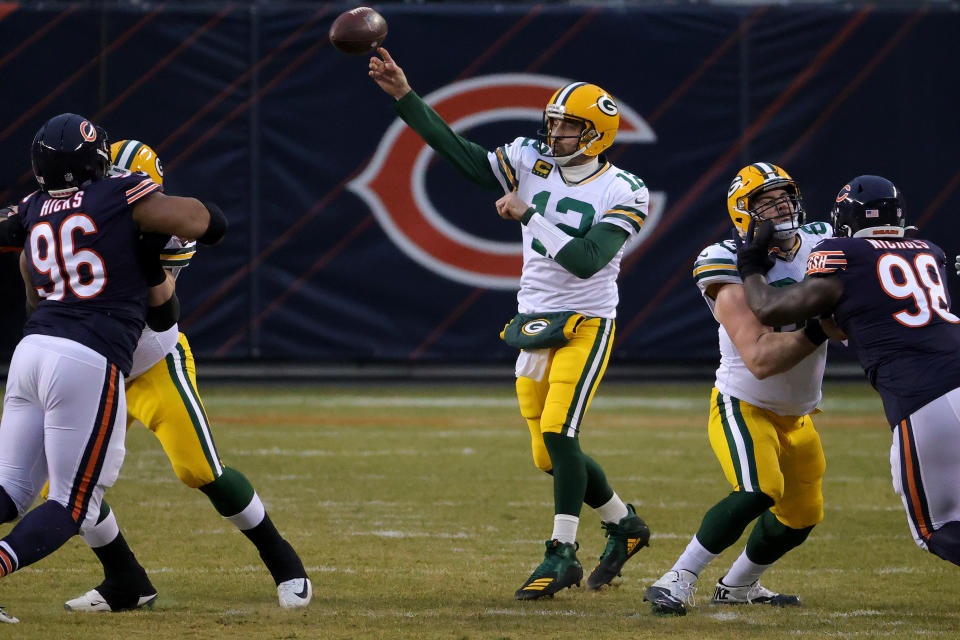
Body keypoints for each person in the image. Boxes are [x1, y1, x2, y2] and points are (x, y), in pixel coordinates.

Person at [369, 48, 650, 599]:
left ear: (597, 134)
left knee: (560, 433)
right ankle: (626, 525)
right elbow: (461, 155)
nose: (556, 132)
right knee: (548, 454)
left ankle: (561, 551)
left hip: (588, 320)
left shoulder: (624, 188)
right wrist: (405, 95)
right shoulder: (529, 158)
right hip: (534, 316)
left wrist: (530, 215)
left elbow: (588, 259)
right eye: (554, 121)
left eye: (569, 126)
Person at [54, 139, 311, 612]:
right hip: (93, 367)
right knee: (65, 489)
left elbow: (161, 306)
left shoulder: (165, 228)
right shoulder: (69, 219)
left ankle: (284, 560)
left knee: (198, 468)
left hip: (151, 362)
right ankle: (125, 580)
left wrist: (138, 252)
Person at [0, 113, 226, 623]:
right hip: (87, 356)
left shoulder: (34, 206)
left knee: (10, 492)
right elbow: (209, 222)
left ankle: (125, 579)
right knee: (73, 504)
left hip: (30, 352)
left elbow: (29, 282)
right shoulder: (118, 196)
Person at [739, 174, 960, 569]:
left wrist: (751, 266)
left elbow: (770, 310)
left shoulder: (842, 253)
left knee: (935, 527)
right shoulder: (931, 250)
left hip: (924, 398)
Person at [644, 163, 834, 616]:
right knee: (758, 489)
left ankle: (739, 584)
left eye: (785, 196)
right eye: (766, 202)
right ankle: (676, 578)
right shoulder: (723, 259)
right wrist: (824, 326)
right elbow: (761, 359)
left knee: (803, 515)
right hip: (746, 401)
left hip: (800, 410)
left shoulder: (824, 241)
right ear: (743, 214)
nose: (781, 206)